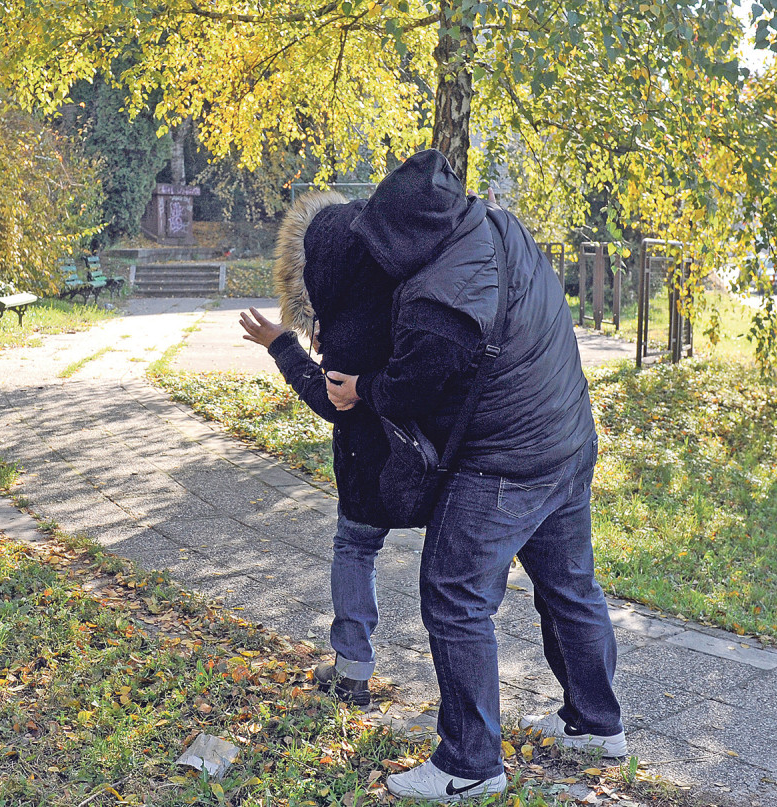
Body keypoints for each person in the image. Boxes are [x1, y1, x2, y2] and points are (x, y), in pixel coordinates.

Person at [323, 150, 625, 803]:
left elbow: (409, 389)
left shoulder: (441, 303)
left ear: (408, 238)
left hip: (506, 462)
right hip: (568, 437)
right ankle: (597, 723)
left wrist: (360, 387)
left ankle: (470, 762)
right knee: (570, 584)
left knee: (454, 594)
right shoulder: (494, 223)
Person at [239, 191, 398, 707]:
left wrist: (281, 345)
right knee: (453, 580)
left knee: (355, 549)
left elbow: (333, 402)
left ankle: (352, 673)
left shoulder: (346, 325)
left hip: (369, 466)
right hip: (435, 457)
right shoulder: (406, 289)